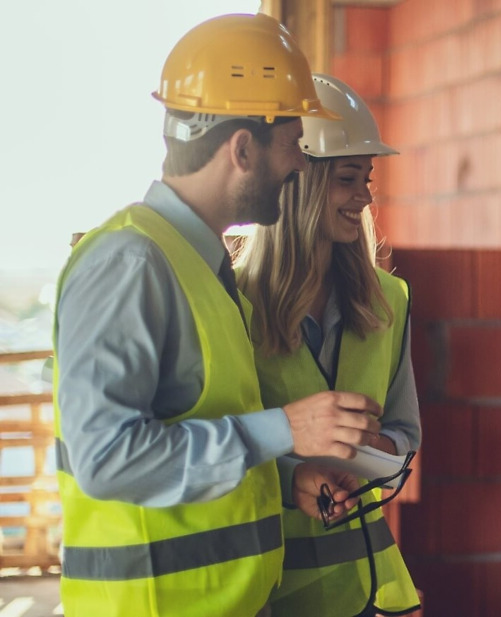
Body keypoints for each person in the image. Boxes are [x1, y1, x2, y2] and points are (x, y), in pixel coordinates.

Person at [52, 14, 382, 616]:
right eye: (293, 145)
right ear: (242, 148)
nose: (300, 168)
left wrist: (286, 480)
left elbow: (197, 430)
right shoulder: (130, 263)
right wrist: (287, 428)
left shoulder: (202, 267)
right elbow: (106, 460)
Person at [235, 73, 421, 617]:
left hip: (376, 591)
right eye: (347, 178)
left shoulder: (389, 299)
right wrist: (296, 474)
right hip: (272, 591)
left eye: (367, 178)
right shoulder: (233, 301)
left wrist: (373, 453)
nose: (364, 197)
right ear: (299, 180)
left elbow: (405, 431)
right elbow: (223, 444)